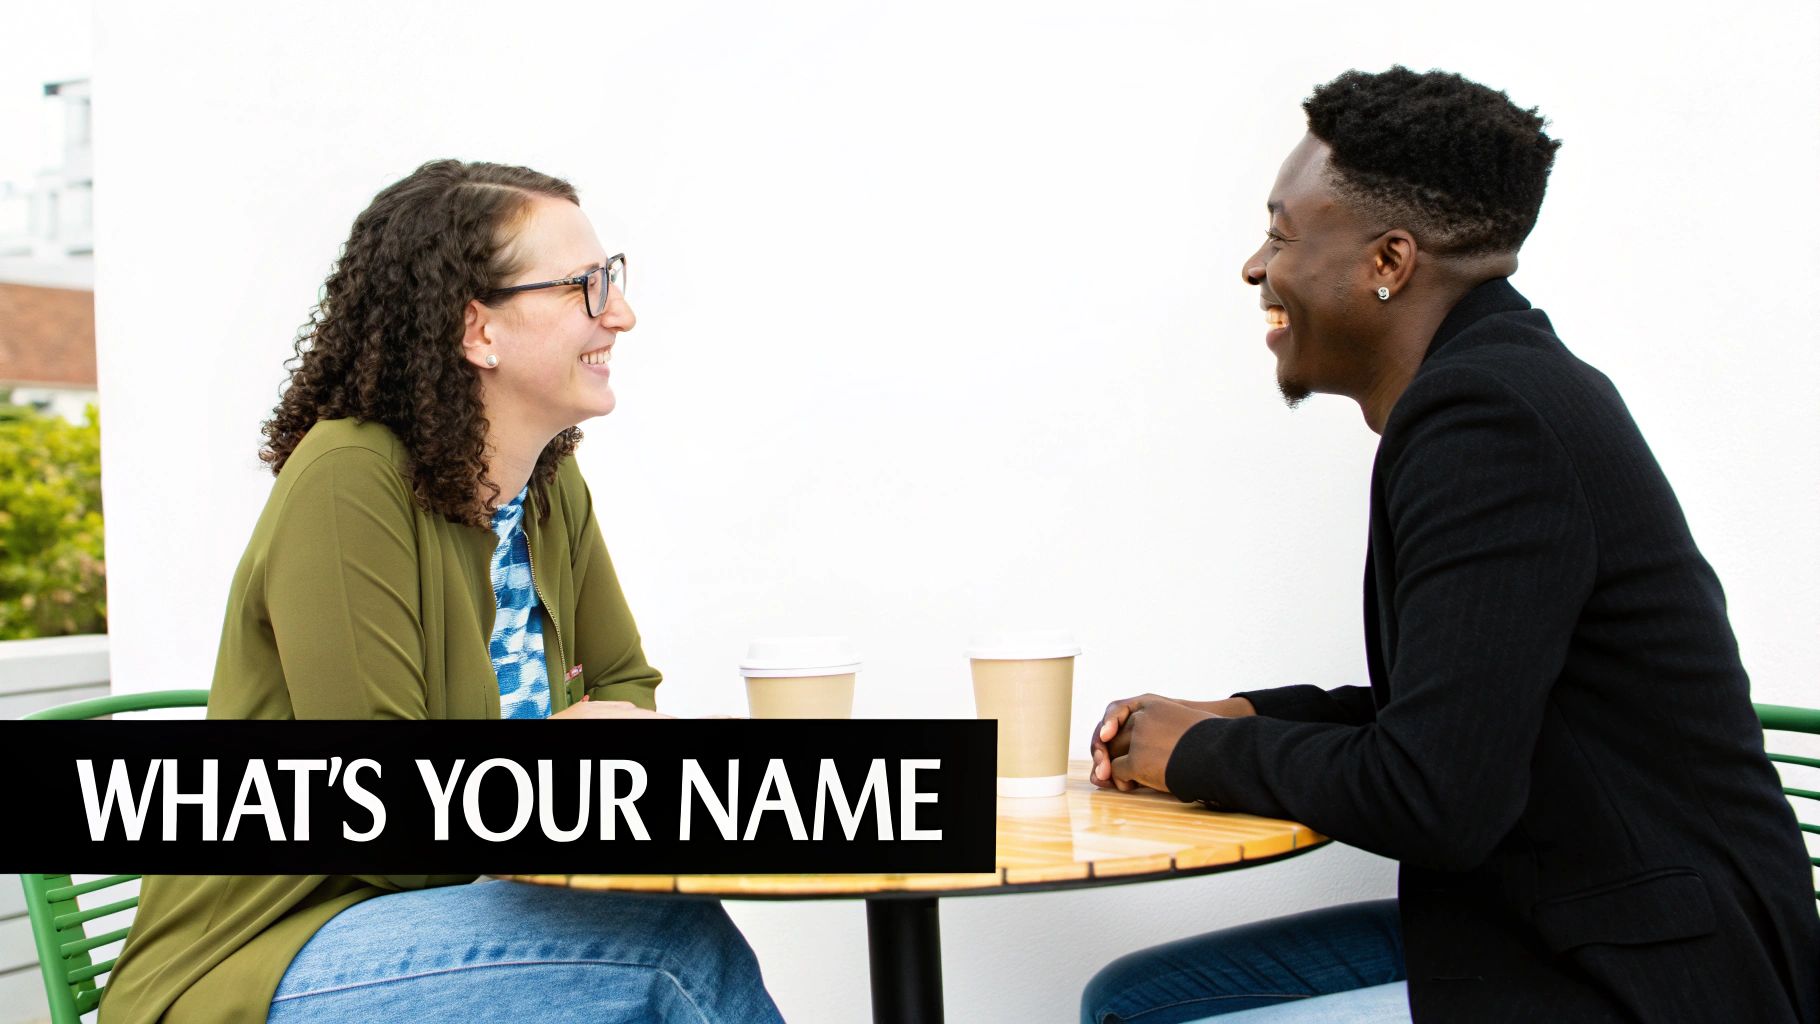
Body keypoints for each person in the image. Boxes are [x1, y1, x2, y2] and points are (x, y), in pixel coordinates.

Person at [1081, 67, 1819, 1024]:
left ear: (1389, 261)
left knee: (1145, 1015)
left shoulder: (1486, 419)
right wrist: (1247, 712)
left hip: (1648, 981)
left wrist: (1205, 752)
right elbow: (1459, 718)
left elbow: (1436, 797)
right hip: (1578, 924)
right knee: (1139, 997)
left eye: (1281, 233)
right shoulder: (1507, 385)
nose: (1256, 267)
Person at [101, 160, 784, 1024]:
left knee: (666, 925)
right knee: (663, 952)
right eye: (585, 285)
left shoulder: (547, 486)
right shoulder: (348, 478)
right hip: (268, 954)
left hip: (449, 919)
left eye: (614, 279)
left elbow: (624, 690)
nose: (620, 312)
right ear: (476, 328)